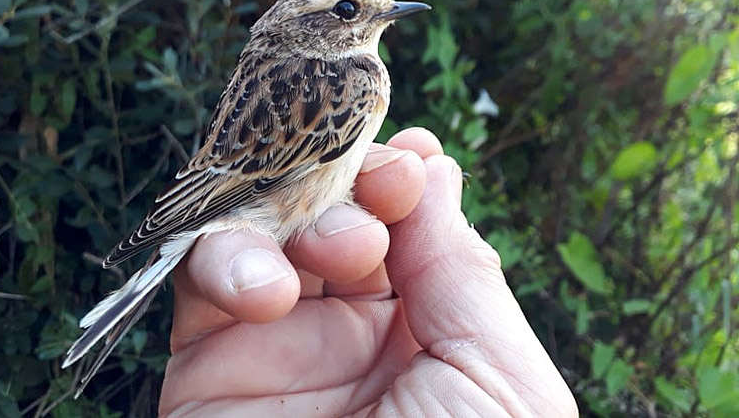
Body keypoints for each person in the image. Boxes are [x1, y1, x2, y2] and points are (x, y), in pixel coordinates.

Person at [159, 128, 578, 417]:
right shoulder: (348, 82)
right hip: (245, 213)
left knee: (390, 186)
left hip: (255, 217)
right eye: (348, 12)